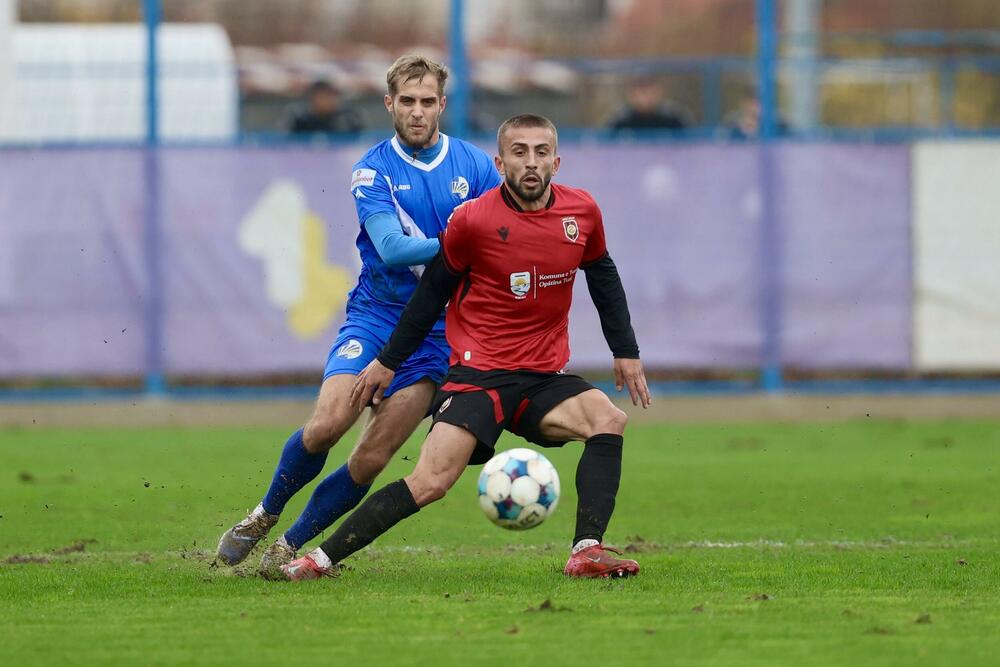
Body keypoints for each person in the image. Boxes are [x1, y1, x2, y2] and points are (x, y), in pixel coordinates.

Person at [279, 113, 652, 582]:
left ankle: (586, 550)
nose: (530, 163)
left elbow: (602, 273)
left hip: (542, 378)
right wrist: (388, 362)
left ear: (557, 161)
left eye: (540, 152)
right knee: (431, 481)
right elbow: (431, 294)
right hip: (479, 376)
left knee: (607, 419)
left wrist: (626, 349)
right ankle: (320, 559)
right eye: (519, 152)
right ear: (500, 163)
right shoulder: (473, 220)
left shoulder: (582, 212)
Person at [216, 55, 502, 578]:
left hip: (437, 336)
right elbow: (391, 247)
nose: (417, 112)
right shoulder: (373, 168)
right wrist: (462, 246)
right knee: (327, 424)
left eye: (427, 102)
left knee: (371, 459)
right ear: (390, 103)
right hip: (377, 316)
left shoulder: (477, 167)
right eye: (407, 102)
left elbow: (501, 241)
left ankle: (289, 543)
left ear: (442, 104)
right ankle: (262, 514)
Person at [607, 76, 689, 132]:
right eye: (641, 92)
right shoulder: (620, 121)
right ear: (631, 94)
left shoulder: (673, 118)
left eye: (650, 91)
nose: (645, 97)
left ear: (658, 92)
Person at [287, 80, 364, 136]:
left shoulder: (347, 118)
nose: (323, 101)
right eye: (320, 97)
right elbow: (287, 140)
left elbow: (360, 139)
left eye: (327, 96)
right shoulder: (301, 118)